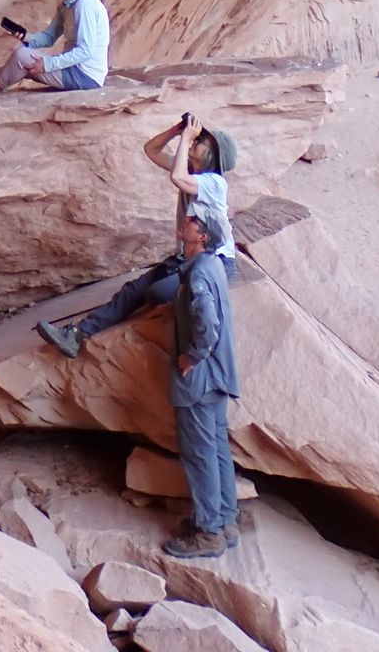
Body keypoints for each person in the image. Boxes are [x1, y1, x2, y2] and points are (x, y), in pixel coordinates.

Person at [35, 112, 237, 357]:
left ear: (214, 155)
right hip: (187, 258)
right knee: (132, 290)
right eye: (197, 138)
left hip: (215, 263)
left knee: (157, 293)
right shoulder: (192, 172)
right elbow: (151, 149)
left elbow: (177, 177)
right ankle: (76, 335)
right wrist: (176, 130)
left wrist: (185, 137)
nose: (195, 140)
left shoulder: (215, 183)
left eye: (201, 141)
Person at [163, 211, 241, 558]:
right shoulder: (214, 267)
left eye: (193, 223)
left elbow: (207, 323)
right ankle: (225, 520)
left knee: (199, 453)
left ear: (203, 237)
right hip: (219, 376)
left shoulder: (197, 274)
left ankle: (209, 532)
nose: (187, 222)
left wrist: (192, 356)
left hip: (200, 381)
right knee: (217, 448)